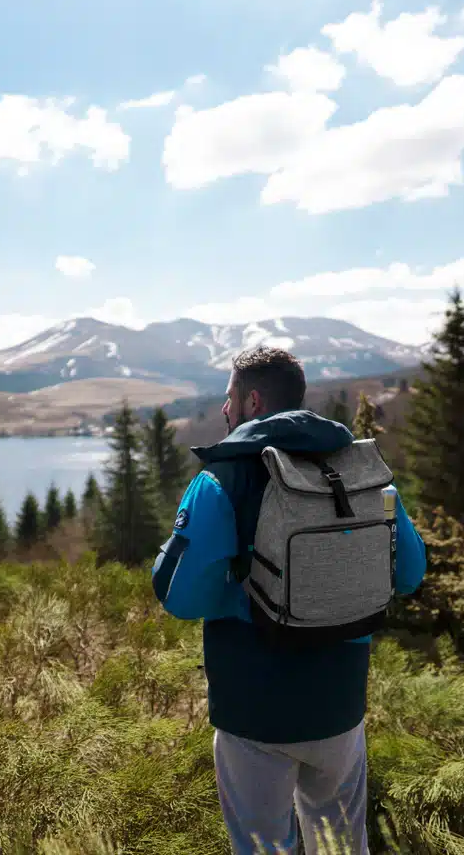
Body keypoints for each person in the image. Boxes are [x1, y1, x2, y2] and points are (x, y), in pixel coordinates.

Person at [152, 347, 426, 855]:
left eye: (229, 397)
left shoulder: (221, 478)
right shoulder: (361, 468)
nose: (223, 411)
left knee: (263, 847)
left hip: (253, 708)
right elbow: (410, 573)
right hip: (340, 703)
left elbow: (180, 597)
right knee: (342, 845)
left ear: (252, 400)